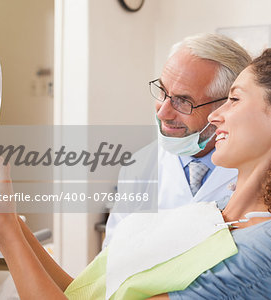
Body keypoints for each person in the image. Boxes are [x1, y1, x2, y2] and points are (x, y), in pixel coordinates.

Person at [0, 47, 271, 299]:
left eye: (233, 99)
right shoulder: (224, 218)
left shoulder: (268, 249)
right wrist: (10, 220)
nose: (217, 115)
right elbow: (88, 292)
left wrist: (2, 228)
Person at [103, 33, 251, 248]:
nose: (163, 112)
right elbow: (110, 255)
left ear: (226, 107)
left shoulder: (260, 170)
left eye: (183, 101)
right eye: (162, 92)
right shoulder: (140, 165)